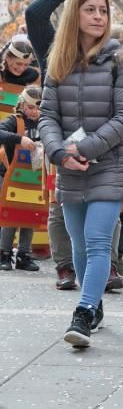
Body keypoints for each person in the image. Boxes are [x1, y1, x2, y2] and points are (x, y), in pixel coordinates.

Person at [34, 0, 123, 348]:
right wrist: (60, 152)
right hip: (69, 168)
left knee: (98, 243)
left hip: (109, 165)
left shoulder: (121, 58)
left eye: (104, 10)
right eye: (90, 9)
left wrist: (87, 149)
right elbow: (47, 116)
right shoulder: (58, 62)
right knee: (79, 246)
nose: (98, 16)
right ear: (74, 16)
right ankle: (92, 302)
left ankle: (82, 313)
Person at [0, 86, 44, 271]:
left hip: (35, 179)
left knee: (31, 215)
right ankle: (4, 253)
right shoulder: (14, 121)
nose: (35, 111)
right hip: (12, 175)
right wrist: (20, 139)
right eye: (31, 107)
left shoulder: (45, 123)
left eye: (38, 107)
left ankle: (24, 255)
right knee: (11, 215)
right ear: (21, 105)